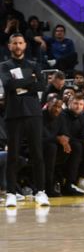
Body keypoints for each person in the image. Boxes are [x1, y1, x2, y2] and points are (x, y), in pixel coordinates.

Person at [1, 34, 48, 207]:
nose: (18, 45)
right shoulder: (4, 66)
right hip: (13, 115)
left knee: (37, 154)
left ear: (25, 45)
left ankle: (40, 192)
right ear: (9, 46)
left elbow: (42, 86)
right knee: (12, 156)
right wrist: (30, 80)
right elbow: (8, 85)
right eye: (14, 43)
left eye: (20, 43)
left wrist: (20, 83)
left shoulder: (34, 64)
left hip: (34, 114)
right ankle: (11, 193)